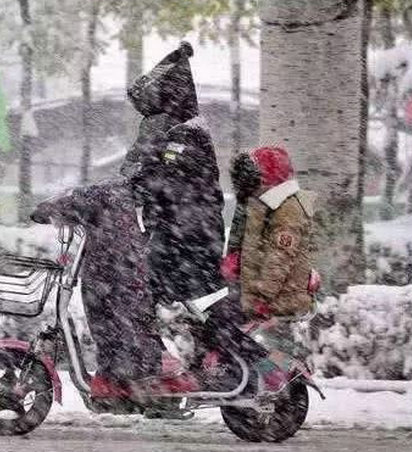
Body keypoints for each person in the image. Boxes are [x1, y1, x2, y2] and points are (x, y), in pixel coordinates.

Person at [120, 42, 225, 395]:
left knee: (139, 289)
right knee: (162, 297)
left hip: (188, 238)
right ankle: (175, 362)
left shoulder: (185, 135)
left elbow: (157, 177)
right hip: (177, 234)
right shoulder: (172, 130)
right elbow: (138, 168)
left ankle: (161, 363)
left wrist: (134, 182)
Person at [30, 179, 164, 397]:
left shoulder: (103, 194)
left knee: (107, 323)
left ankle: (118, 382)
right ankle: (119, 380)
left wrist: (47, 210)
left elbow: (73, 201)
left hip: (111, 272)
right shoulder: (116, 197)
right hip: (118, 270)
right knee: (116, 326)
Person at [221, 146, 317, 392]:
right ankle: (228, 370)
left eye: (256, 176)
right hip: (265, 290)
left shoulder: (286, 210)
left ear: (268, 176)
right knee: (209, 318)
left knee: (218, 323)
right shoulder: (267, 205)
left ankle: (274, 368)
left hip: (278, 295)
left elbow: (279, 259)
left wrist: (262, 296)